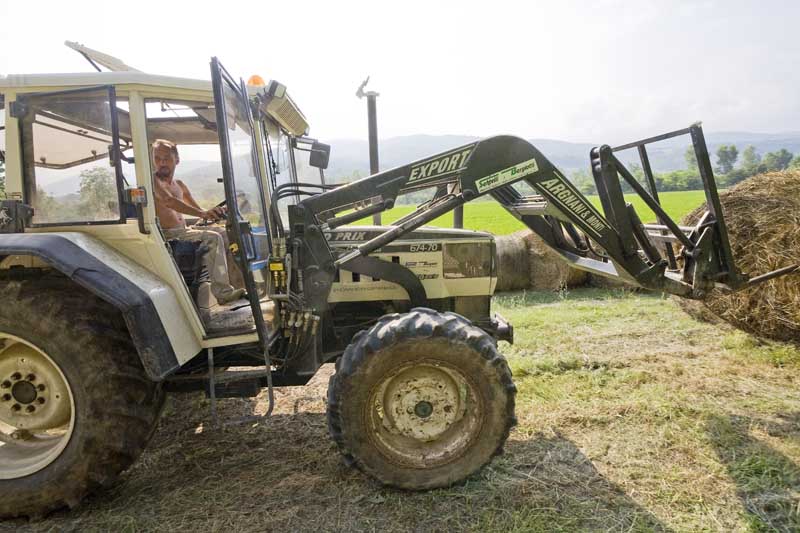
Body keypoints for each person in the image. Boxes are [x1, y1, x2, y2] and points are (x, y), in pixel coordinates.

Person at [151, 139, 245, 304]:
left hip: (184, 230)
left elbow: (200, 211)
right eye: (157, 158)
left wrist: (211, 214)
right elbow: (169, 201)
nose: (161, 163)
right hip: (167, 235)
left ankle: (239, 284)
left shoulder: (179, 184)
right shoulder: (154, 182)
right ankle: (223, 293)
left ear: (176, 160)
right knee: (212, 238)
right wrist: (202, 213)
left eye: (166, 158)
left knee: (224, 232)